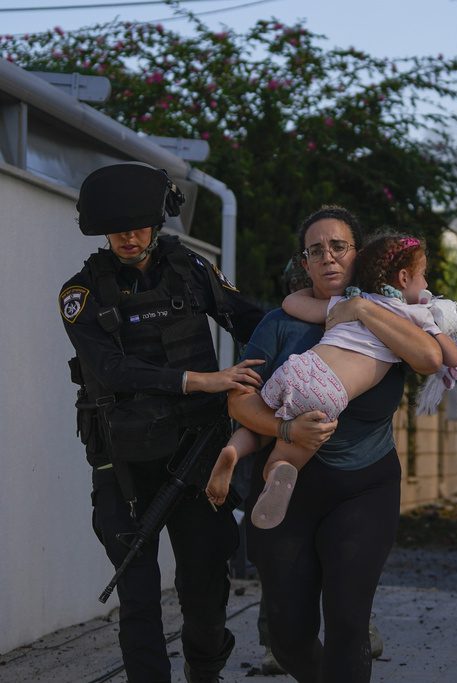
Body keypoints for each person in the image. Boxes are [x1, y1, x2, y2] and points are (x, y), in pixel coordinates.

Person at [58, 162, 270, 683]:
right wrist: (201, 380)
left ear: (158, 222)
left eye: (139, 225)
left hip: (197, 452)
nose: (129, 237)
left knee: (204, 585)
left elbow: (249, 320)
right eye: (118, 228)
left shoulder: (191, 271)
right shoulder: (80, 294)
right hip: (124, 460)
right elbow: (109, 369)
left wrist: (318, 336)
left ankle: (205, 670)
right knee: (137, 592)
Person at [227, 206, 445, 682]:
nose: (328, 258)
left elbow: (431, 357)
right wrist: (287, 431)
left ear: (359, 255)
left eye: (338, 247)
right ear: (303, 263)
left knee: (348, 620)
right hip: (288, 487)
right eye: (315, 250)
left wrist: (361, 307)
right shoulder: (280, 323)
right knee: (287, 636)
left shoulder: (389, 314)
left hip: (364, 487)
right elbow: (240, 403)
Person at [205, 232, 457, 529]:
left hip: (299, 367)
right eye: (424, 277)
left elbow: (292, 303)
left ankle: (233, 451)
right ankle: (279, 470)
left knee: (260, 420)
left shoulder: (351, 301)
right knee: (289, 452)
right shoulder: (415, 316)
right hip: (329, 392)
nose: (427, 285)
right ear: (404, 278)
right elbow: (450, 358)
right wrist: (440, 330)